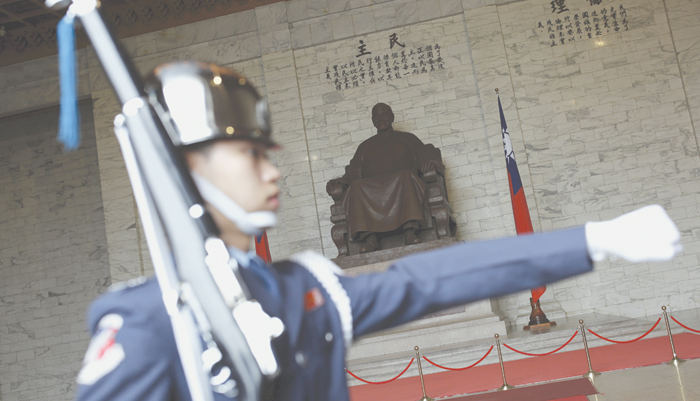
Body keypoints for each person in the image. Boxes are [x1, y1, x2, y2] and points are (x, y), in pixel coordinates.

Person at [75, 61, 683, 401]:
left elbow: (426, 278)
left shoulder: (301, 291)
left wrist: (590, 241)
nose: (271, 167)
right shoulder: (149, 324)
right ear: (187, 175)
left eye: (268, 150)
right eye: (246, 154)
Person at [326, 103, 444, 252]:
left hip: (401, 183)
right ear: (373, 121)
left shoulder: (408, 138)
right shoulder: (365, 146)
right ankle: (370, 239)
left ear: (392, 117)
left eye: (384, 114)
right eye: (376, 116)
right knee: (356, 186)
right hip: (373, 189)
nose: (380, 118)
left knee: (406, 176)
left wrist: (430, 163)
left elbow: (429, 158)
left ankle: (409, 232)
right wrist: (339, 181)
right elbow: (352, 174)